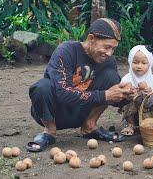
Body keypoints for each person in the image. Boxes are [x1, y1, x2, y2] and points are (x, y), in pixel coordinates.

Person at [26, 18, 133, 152]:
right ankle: (49, 132)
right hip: (55, 112)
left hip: (80, 112)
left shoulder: (108, 61)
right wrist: (105, 95)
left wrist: (127, 96)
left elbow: (111, 98)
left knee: (111, 76)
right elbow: (62, 94)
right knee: (42, 87)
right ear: (91, 38)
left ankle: (89, 126)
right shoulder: (66, 50)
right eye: (107, 47)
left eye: (113, 48)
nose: (109, 53)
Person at [119, 45, 153, 136]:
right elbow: (121, 97)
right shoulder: (126, 79)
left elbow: (151, 102)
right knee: (128, 100)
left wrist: (147, 92)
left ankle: (148, 124)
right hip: (132, 112)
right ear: (130, 62)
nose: (139, 66)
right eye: (135, 62)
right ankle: (130, 124)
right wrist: (130, 93)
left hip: (147, 109)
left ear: (150, 64)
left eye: (144, 63)